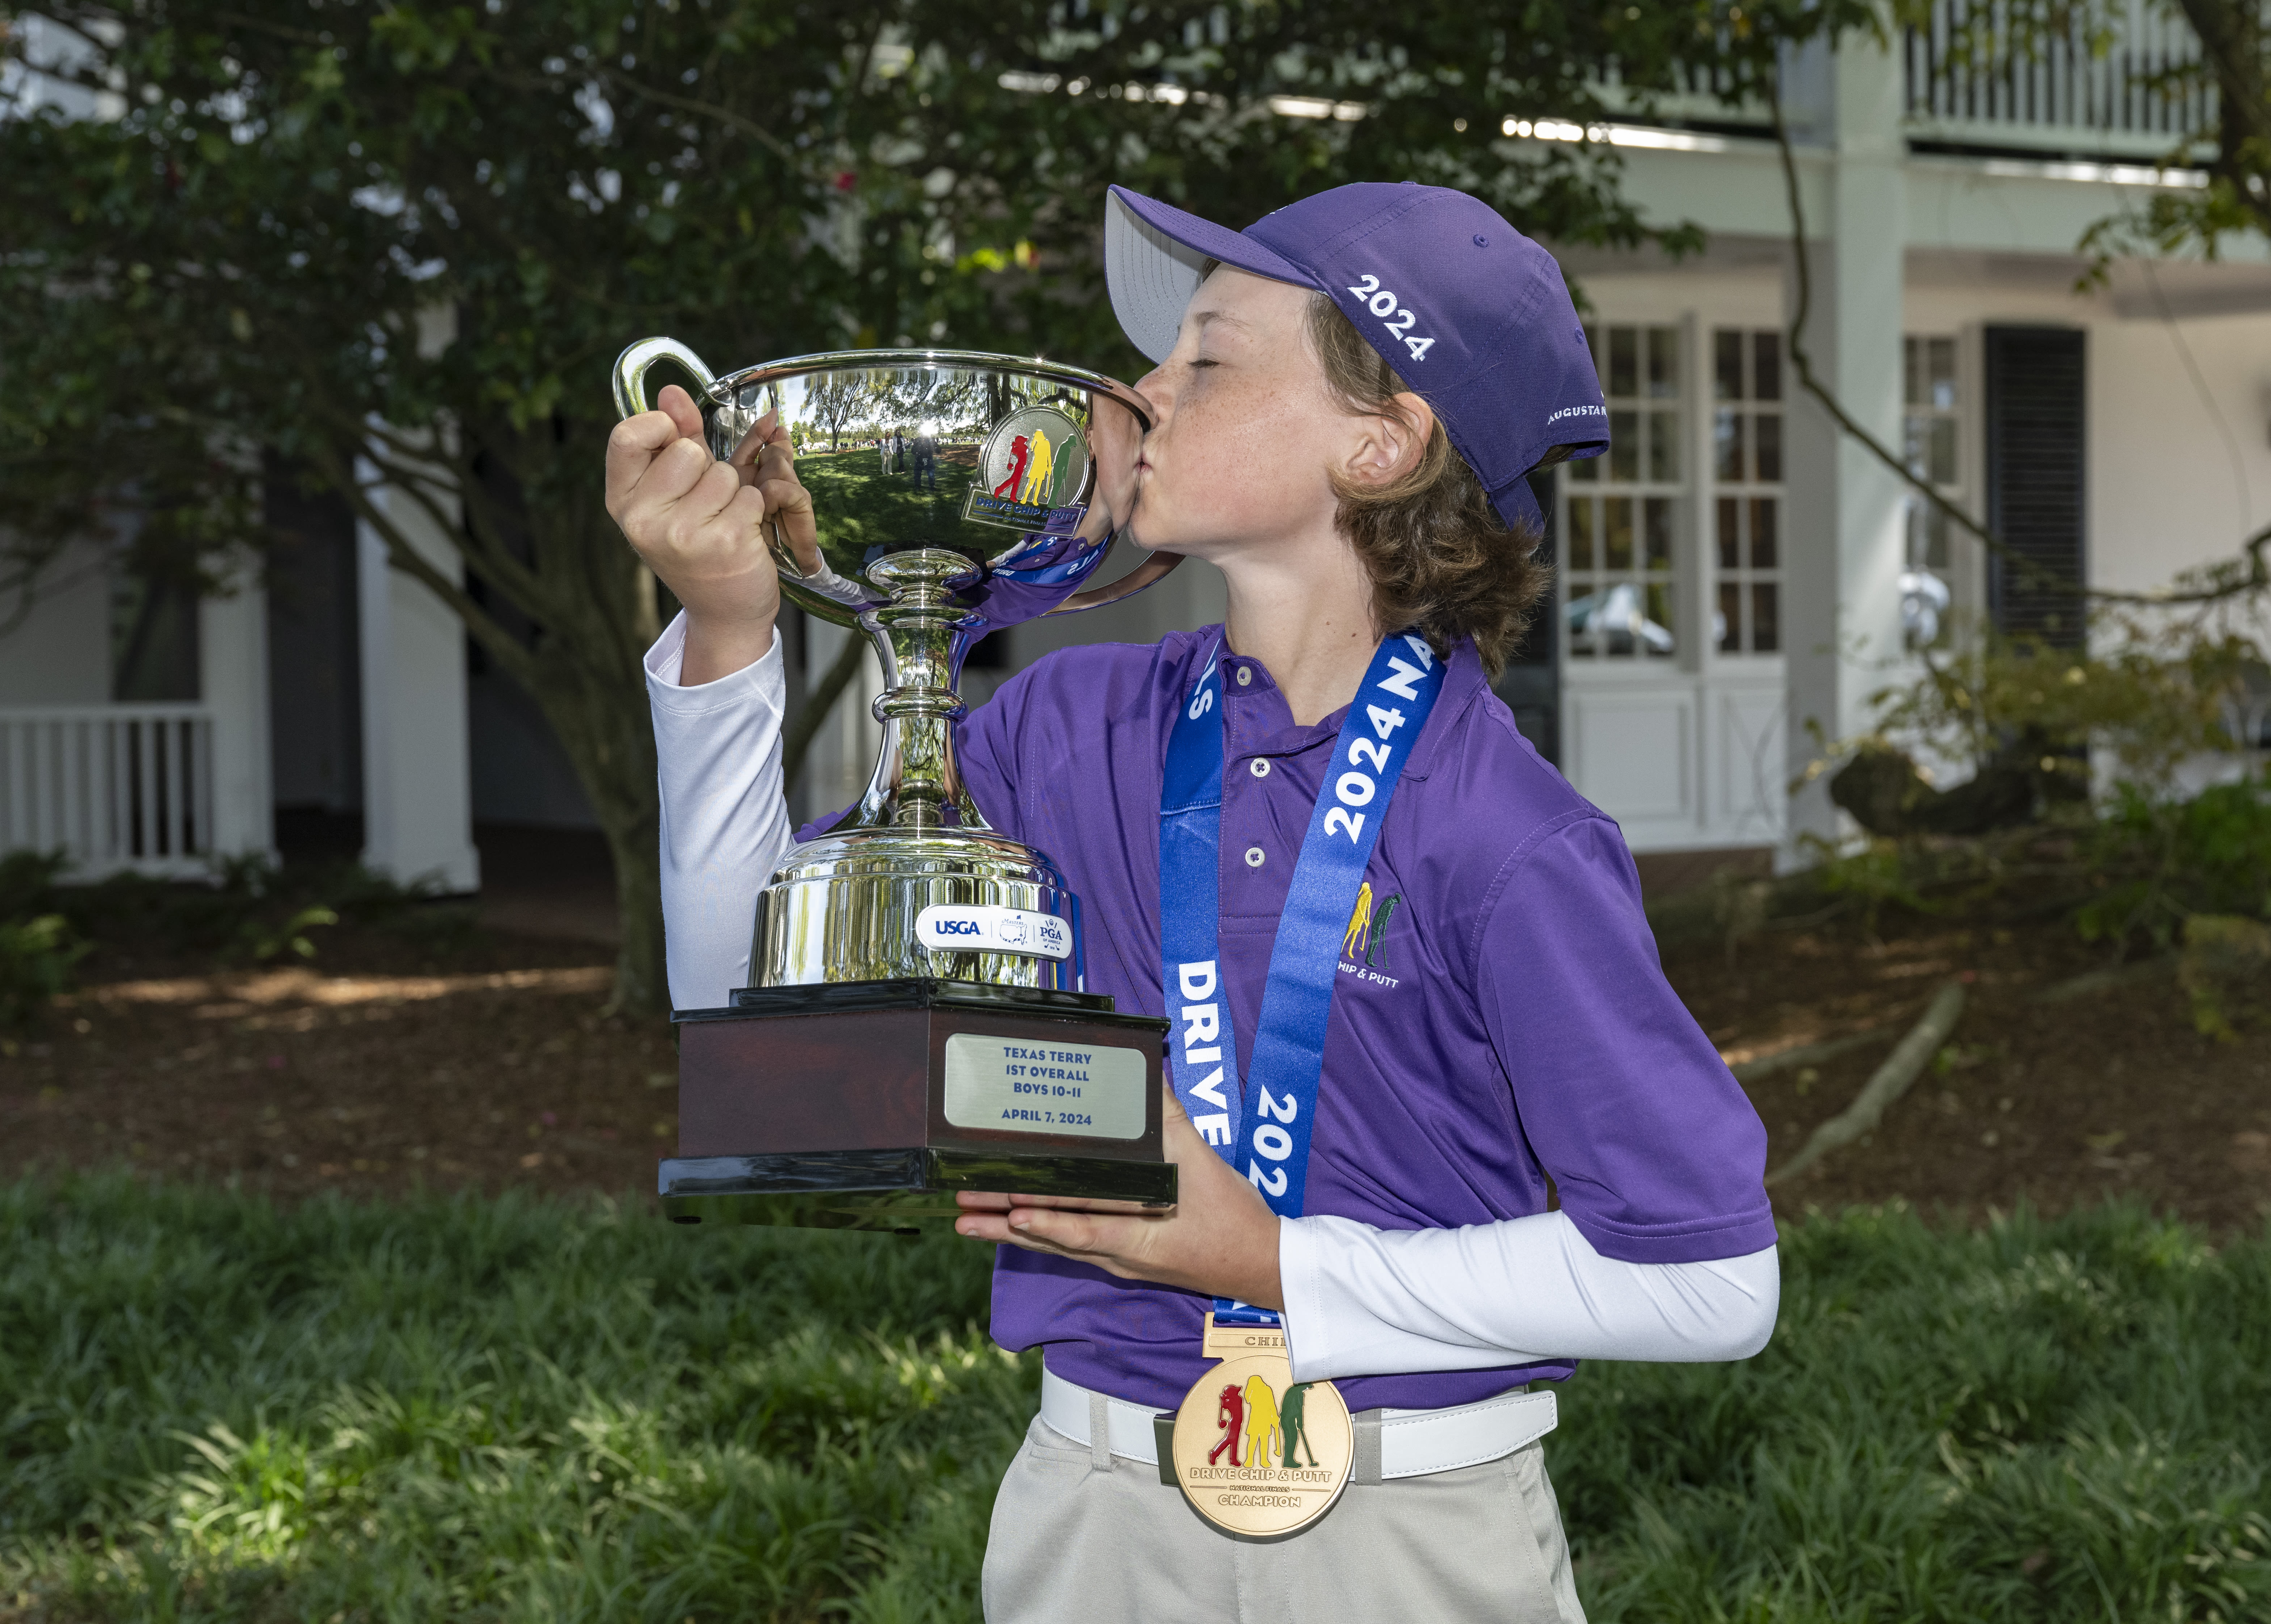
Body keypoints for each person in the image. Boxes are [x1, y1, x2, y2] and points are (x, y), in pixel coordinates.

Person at [605, 182, 1779, 1623]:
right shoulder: (1063, 728)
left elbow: (1711, 1279)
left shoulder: (1505, 833)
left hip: (1407, 1529)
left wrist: (1271, 1260)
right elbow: (746, 1005)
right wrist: (728, 632)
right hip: (1090, 1505)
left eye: (1207, 358)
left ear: (1382, 438)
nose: (1145, 392)